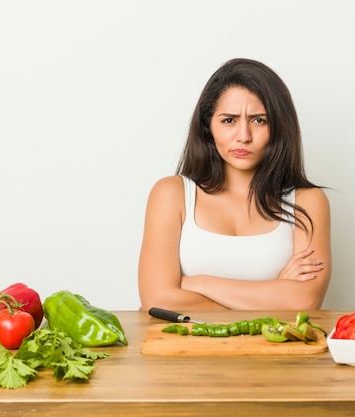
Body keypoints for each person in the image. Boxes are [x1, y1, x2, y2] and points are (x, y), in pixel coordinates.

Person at [138, 58, 331, 311]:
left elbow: (305, 301)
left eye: (259, 120)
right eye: (229, 120)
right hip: (184, 350)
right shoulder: (171, 194)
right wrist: (274, 292)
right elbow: (158, 299)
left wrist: (196, 283)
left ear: (279, 127)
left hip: (278, 351)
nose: (243, 136)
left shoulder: (307, 201)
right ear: (208, 126)